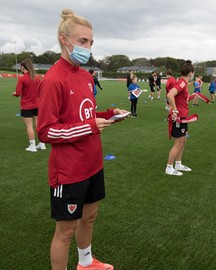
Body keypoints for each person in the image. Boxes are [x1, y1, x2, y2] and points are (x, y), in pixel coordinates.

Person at [37, 9, 130, 270]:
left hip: (93, 164)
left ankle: (86, 263)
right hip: (68, 171)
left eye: (90, 42)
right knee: (65, 231)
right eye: (82, 41)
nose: (88, 48)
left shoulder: (86, 76)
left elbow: (85, 114)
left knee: (89, 217)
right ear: (63, 40)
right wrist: (90, 126)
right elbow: (47, 131)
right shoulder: (53, 79)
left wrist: (109, 114)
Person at [165, 60, 195, 176]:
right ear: (191, 73)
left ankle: (178, 164)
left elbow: (183, 100)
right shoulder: (182, 83)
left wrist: (195, 95)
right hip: (179, 117)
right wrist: (175, 110)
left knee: (183, 141)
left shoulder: (184, 84)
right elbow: (170, 95)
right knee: (178, 143)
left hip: (184, 117)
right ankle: (169, 167)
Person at [13, 58, 46, 152]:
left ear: (23, 67)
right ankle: (42, 144)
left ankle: (32, 146)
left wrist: (14, 93)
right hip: (37, 105)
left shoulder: (22, 78)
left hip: (26, 106)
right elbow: (40, 91)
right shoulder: (37, 77)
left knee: (29, 126)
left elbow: (18, 93)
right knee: (38, 124)